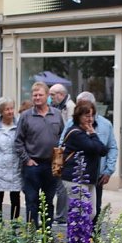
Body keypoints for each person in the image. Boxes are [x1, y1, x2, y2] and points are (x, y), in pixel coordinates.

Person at [62, 91, 118, 222]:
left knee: (92, 212)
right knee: (79, 213)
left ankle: (86, 239)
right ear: (78, 116)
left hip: (91, 178)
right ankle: (76, 240)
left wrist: (92, 133)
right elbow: (98, 149)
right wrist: (93, 134)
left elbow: (104, 149)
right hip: (75, 179)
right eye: (87, 116)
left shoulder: (93, 130)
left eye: (92, 116)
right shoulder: (76, 133)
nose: (90, 119)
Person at [14, 81, 64, 227]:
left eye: (40, 95)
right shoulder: (26, 116)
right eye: (34, 95)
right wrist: (27, 160)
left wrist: (60, 160)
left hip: (52, 165)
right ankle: (32, 235)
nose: (37, 98)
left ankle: (46, 234)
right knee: (31, 200)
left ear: (47, 96)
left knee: (49, 201)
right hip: (32, 165)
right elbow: (18, 141)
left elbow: (63, 137)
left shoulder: (57, 115)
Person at [0, 97, 22, 221]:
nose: (10, 111)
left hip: (15, 164)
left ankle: (15, 224)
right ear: (1, 111)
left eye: (12, 108)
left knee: (15, 196)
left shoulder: (19, 124)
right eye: (7, 109)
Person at [49, 83, 76, 224]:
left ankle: (61, 216)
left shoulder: (70, 108)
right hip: (57, 151)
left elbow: (69, 130)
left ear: (61, 94)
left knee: (61, 185)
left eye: (52, 95)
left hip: (63, 152)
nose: (51, 98)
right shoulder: (58, 107)